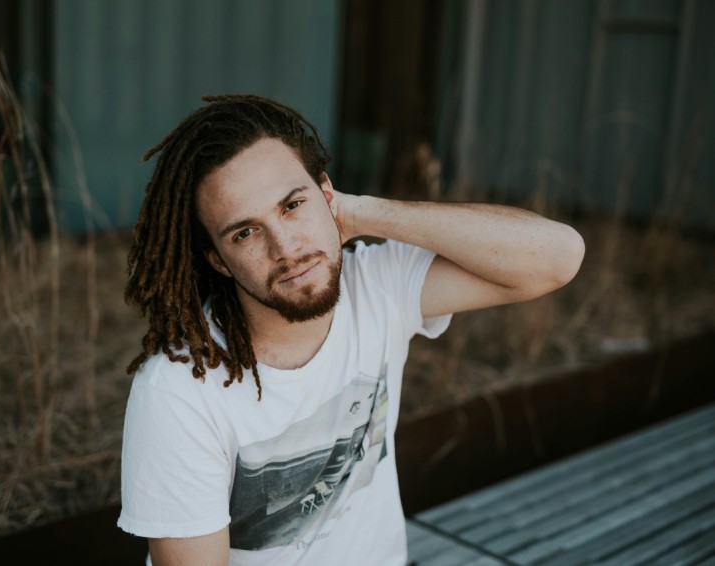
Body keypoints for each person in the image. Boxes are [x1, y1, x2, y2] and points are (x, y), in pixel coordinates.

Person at [118, 94, 585, 565]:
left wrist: (361, 213)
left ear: (327, 195)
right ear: (217, 259)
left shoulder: (375, 285)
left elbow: (558, 257)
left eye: (293, 205)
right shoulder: (178, 391)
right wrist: (312, 209)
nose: (287, 247)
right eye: (246, 232)